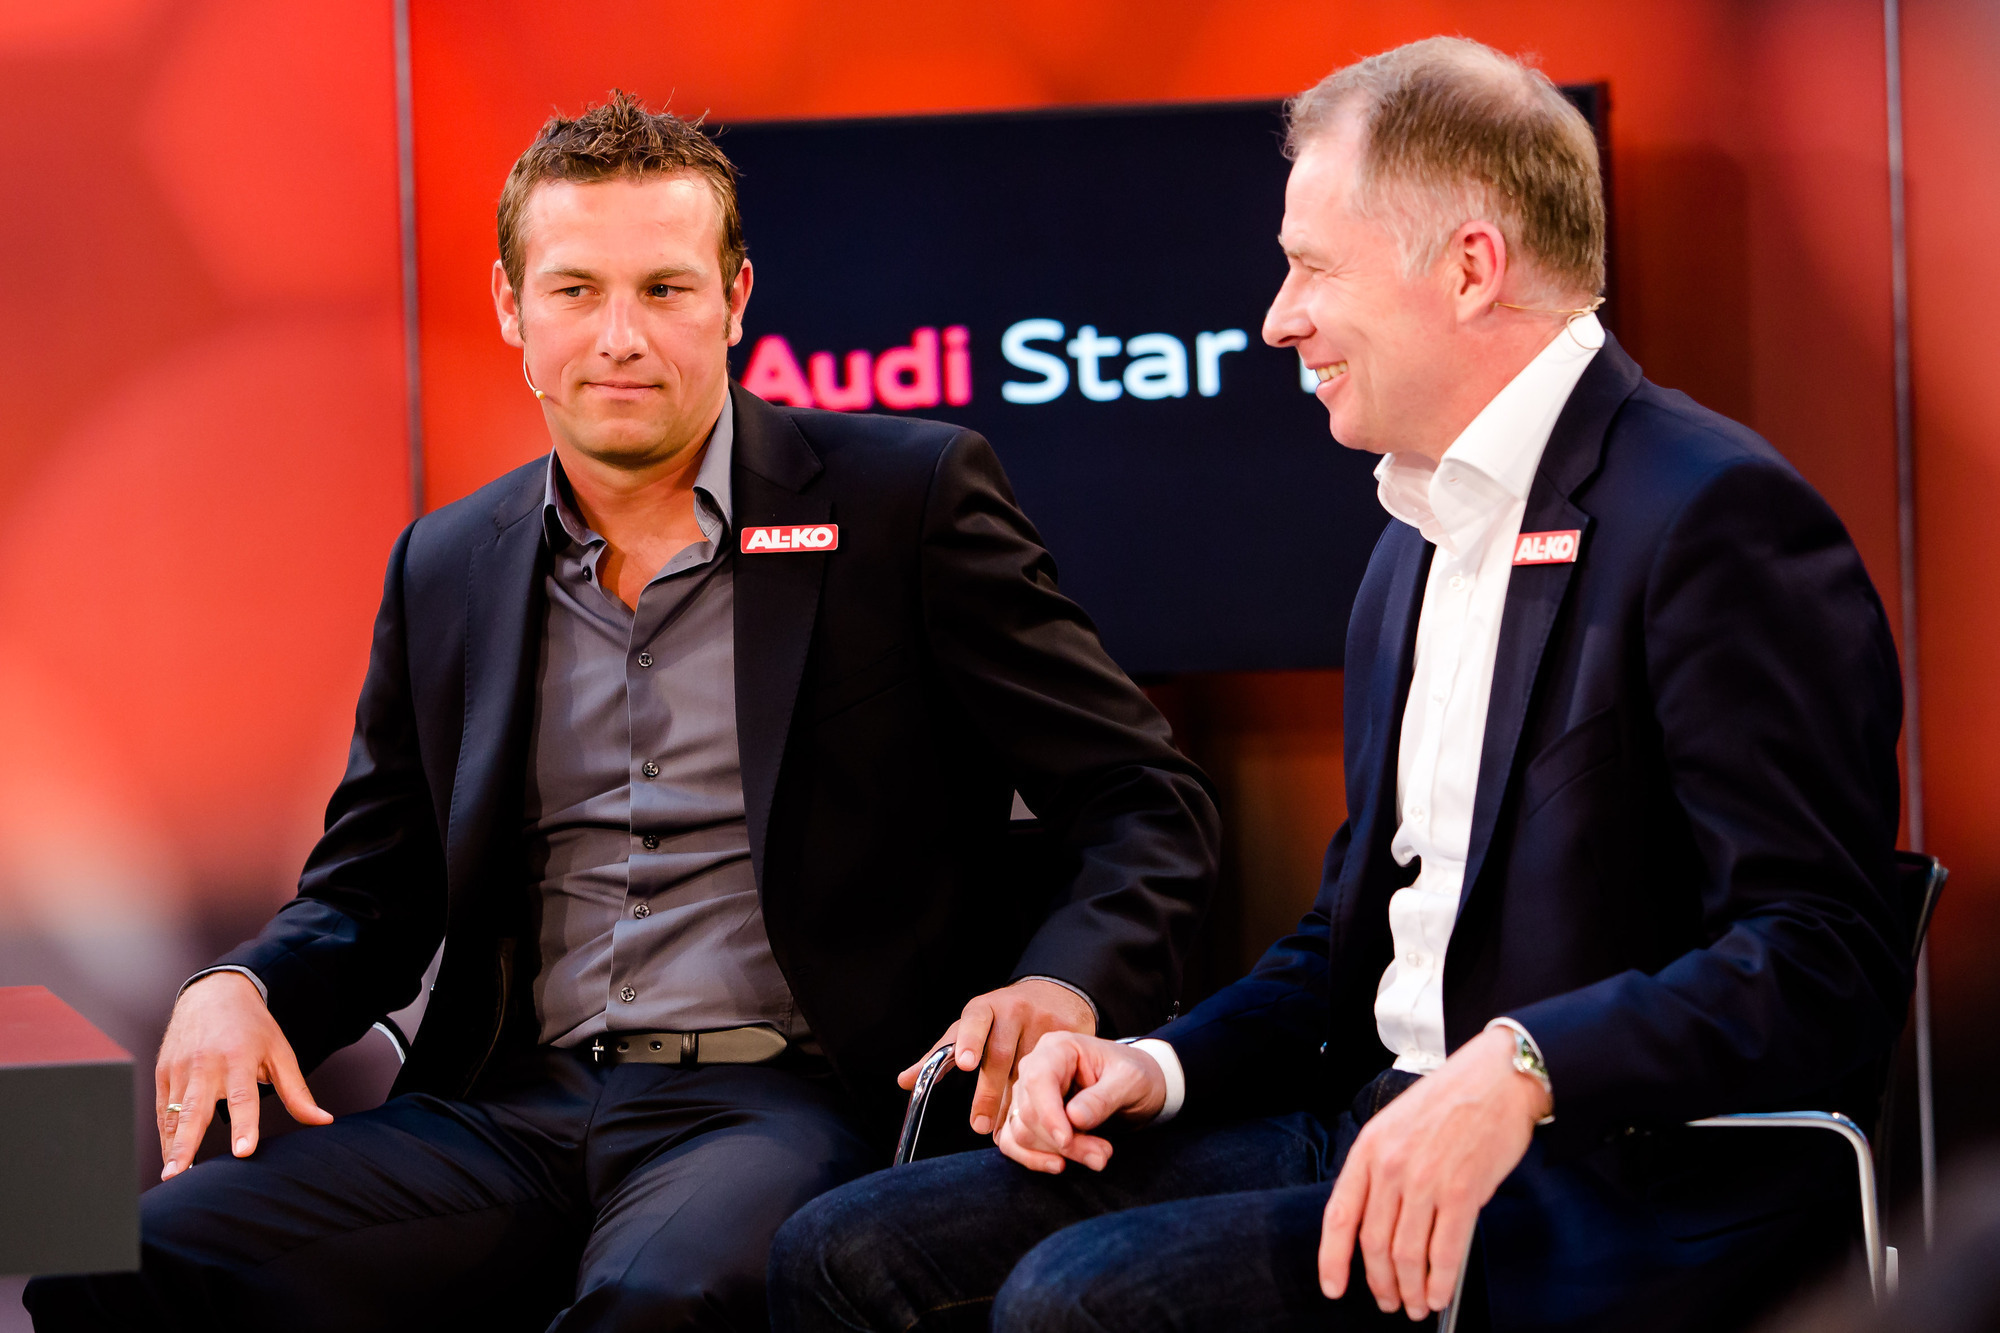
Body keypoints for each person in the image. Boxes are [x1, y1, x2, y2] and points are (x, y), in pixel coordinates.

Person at [24, 92, 1219, 1333]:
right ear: (510, 310)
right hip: (508, 1111)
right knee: (114, 1260)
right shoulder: (447, 562)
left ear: (736, 299)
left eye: (663, 290)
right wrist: (244, 984)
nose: (619, 339)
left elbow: (1144, 800)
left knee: (656, 1304)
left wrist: (1064, 990)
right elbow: (374, 889)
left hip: (783, 1103)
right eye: (575, 291)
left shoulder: (902, 501)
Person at [769, 36, 1908, 1333]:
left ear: (1471, 267)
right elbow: (1347, 946)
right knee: (841, 1253)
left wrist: (1528, 1068)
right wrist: (1155, 1064)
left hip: (1605, 1175)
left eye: (1312, 267)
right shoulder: (1409, 539)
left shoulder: (1714, 518)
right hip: (1362, 1121)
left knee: (1074, 1306)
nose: (1277, 317)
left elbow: (1819, 960)